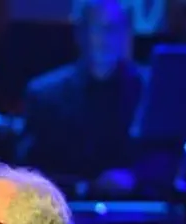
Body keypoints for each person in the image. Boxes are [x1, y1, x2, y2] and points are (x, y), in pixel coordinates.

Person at [16, 0, 163, 199]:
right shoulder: (45, 95)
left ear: (126, 33)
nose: (105, 39)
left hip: (140, 213)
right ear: (80, 34)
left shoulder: (152, 91)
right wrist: (86, 186)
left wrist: (135, 177)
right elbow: (30, 170)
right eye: (97, 29)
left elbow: (167, 155)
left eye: (113, 29)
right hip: (68, 212)